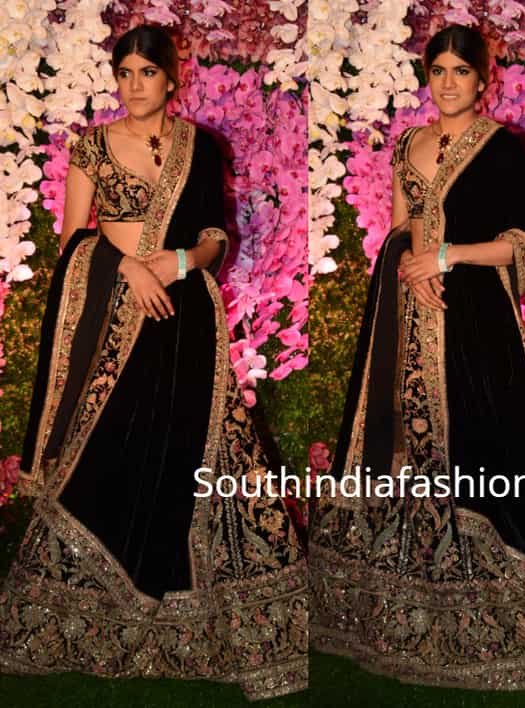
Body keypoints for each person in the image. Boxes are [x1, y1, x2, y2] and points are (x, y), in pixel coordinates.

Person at [0, 25, 308, 701]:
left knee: (182, 449)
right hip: (115, 314)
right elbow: (72, 241)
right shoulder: (92, 146)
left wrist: (178, 263)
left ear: (172, 78)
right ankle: (93, 608)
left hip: (183, 312)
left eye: (147, 72)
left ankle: (188, 605)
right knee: (107, 451)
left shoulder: (201, 146)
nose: (135, 85)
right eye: (126, 73)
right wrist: (129, 269)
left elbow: (215, 235)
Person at [308, 24, 525, 689]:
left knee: (490, 443)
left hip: (474, 313)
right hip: (407, 312)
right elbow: (399, 227)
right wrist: (409, 264)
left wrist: (446, 257)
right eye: (439, 70)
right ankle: (406, 592)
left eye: (461, 71)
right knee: (403, 443)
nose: (448, 83)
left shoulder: (502, 147)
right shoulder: (407, 144)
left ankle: (512, 584)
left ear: (483, 80)